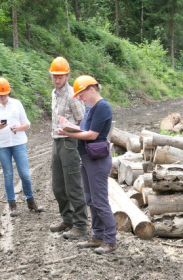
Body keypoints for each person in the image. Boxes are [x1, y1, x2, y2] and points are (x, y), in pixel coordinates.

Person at [57, 75, 117, 254]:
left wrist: (71, 134)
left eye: (81, 94)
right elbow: (84, 130)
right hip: (87, 158)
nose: (79, 98)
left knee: (100, 201)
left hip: (97, 160)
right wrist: (70, 127)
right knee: (91, 199)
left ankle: (110, 240)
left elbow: (92, 135)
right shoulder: (91, 108)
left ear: (91, 89)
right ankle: (97, 236)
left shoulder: (102, 107)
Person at [0, 77, 44, 217]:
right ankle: (12, 205)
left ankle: (31, 201)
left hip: (18, 142)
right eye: (0, 95)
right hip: (2, 145)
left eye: (5, 94)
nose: (3, 97)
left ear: (9, 92)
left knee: (25, 174)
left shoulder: (17, 104)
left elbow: (27, 124)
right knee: (8, 175)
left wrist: (18, 127)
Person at [49, 57, 88, 239]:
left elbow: (83, 122)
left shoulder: (73, 95)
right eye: (55, 76)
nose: (57, 80)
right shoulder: (54, 93)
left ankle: (80, 224)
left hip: (70, 143)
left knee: (73, 185)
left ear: (67, 75)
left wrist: (72, 132)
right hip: (56, 142)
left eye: (61, 76)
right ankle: (67, 219)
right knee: (58, 186)